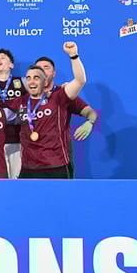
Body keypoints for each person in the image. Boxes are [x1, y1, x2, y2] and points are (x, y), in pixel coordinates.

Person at [16, 43, 88, 179]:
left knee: (59, 200)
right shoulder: (23, 99)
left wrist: (73, 55)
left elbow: (80, 80)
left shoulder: (60, 94)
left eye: (45, 68)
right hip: (28, 167)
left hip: (55, 166)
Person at [33, 55, 99, 178]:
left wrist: (89, 122)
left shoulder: (64, 94)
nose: (41, 70)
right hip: (30, 165)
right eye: (38, 68)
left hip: (58, 163)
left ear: (53, 73)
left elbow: (91, 113)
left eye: (46, 67)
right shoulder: (26, 98)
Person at [0, 48, 26, 178]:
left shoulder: (23, 82)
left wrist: (1, 105)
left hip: (19, 140)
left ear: (11, 65)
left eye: (3, 57)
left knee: (17, 181)